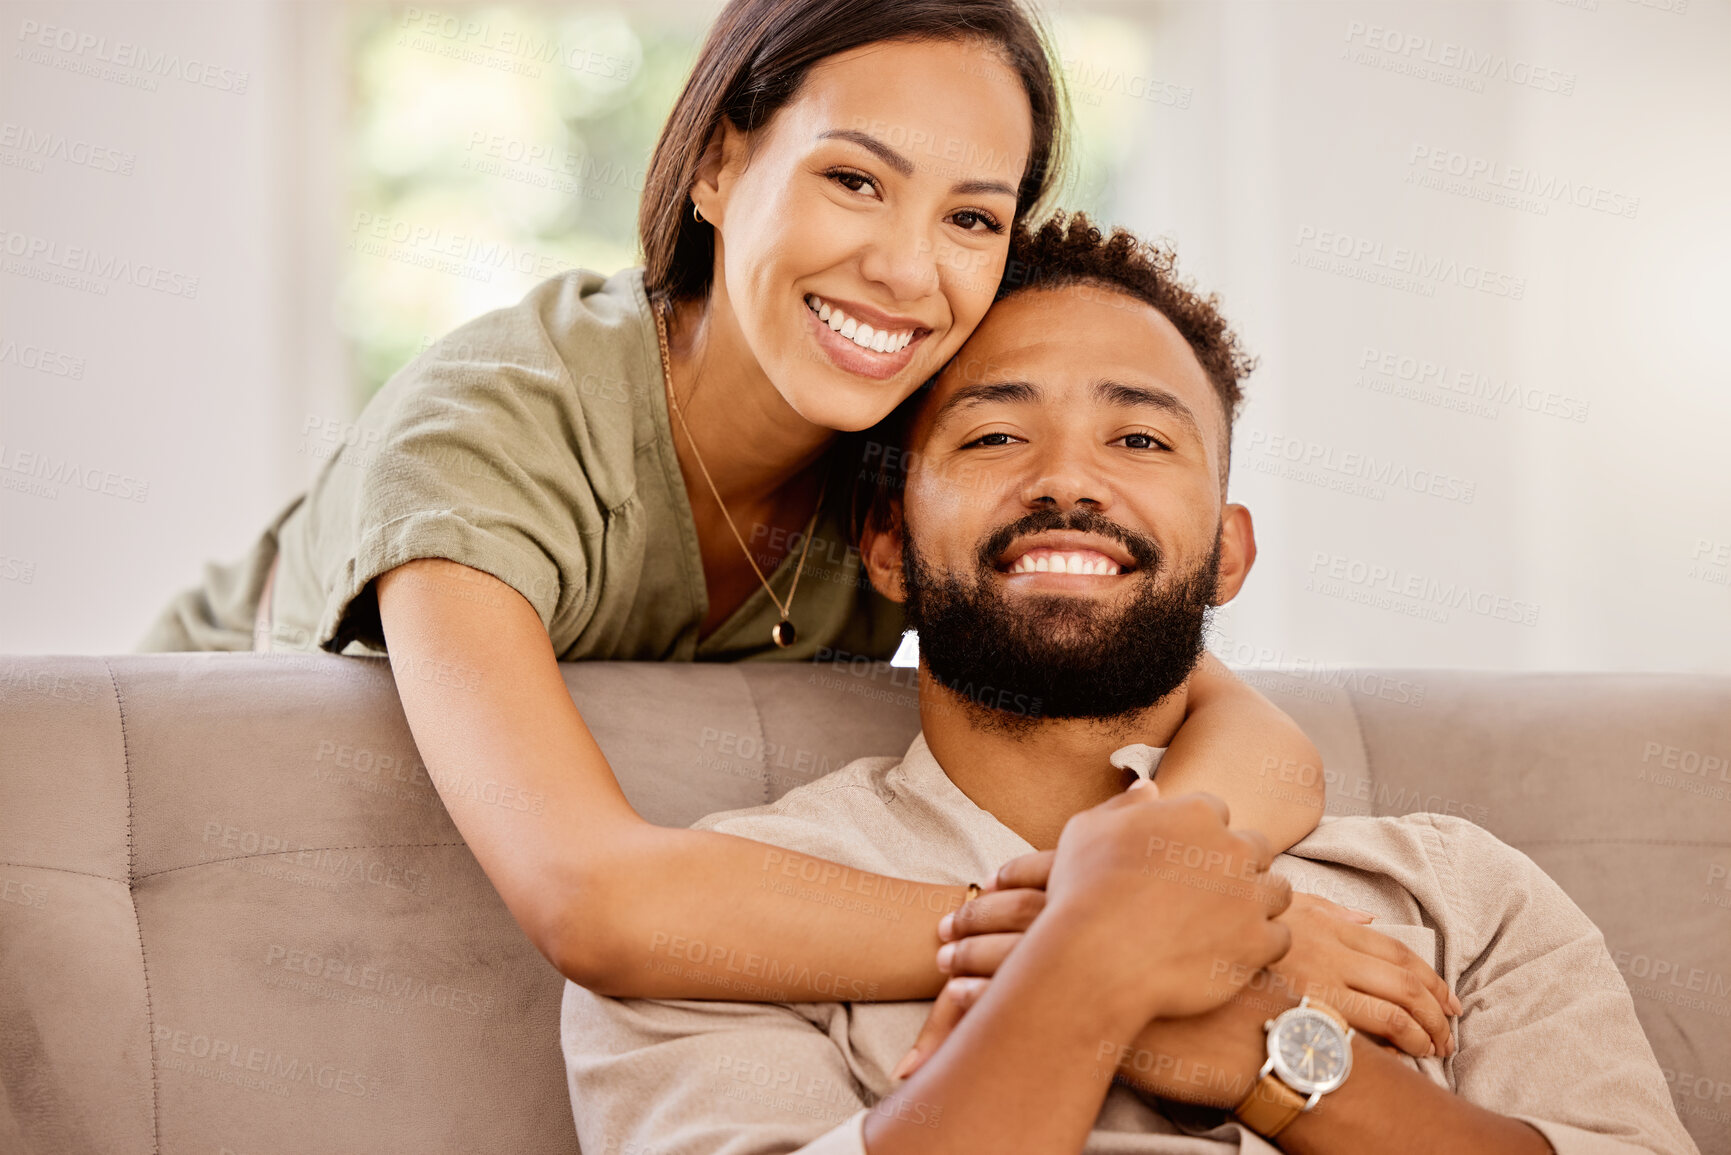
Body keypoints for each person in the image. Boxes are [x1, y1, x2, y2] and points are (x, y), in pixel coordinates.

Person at [137, 0, 1327, 1014]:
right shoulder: (494, 423)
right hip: (192, 829)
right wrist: (1104, 948)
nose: (909, 272)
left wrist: (1162, 895)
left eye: (970, 217)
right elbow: (591, 899)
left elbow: (1255, 742)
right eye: (855, 179)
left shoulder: (904, 461)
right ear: (716, 164)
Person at [559, 214, 1699, 1155]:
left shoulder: (1462, 896)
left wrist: (1271, 1059)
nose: (1068, 482)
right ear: (888, 543)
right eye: (995, 437)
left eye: (1143, 443)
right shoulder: (719, 930)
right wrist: (1087, 973)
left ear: (1230, 551)